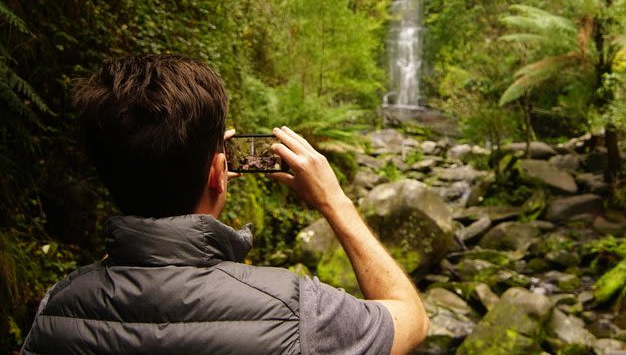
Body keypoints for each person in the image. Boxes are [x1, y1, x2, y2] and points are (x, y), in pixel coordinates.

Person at [21, 55, 428, 354]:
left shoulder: (55, 311)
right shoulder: (300, 312)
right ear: (220, 173)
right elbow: (412, 320)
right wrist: (334, 201)